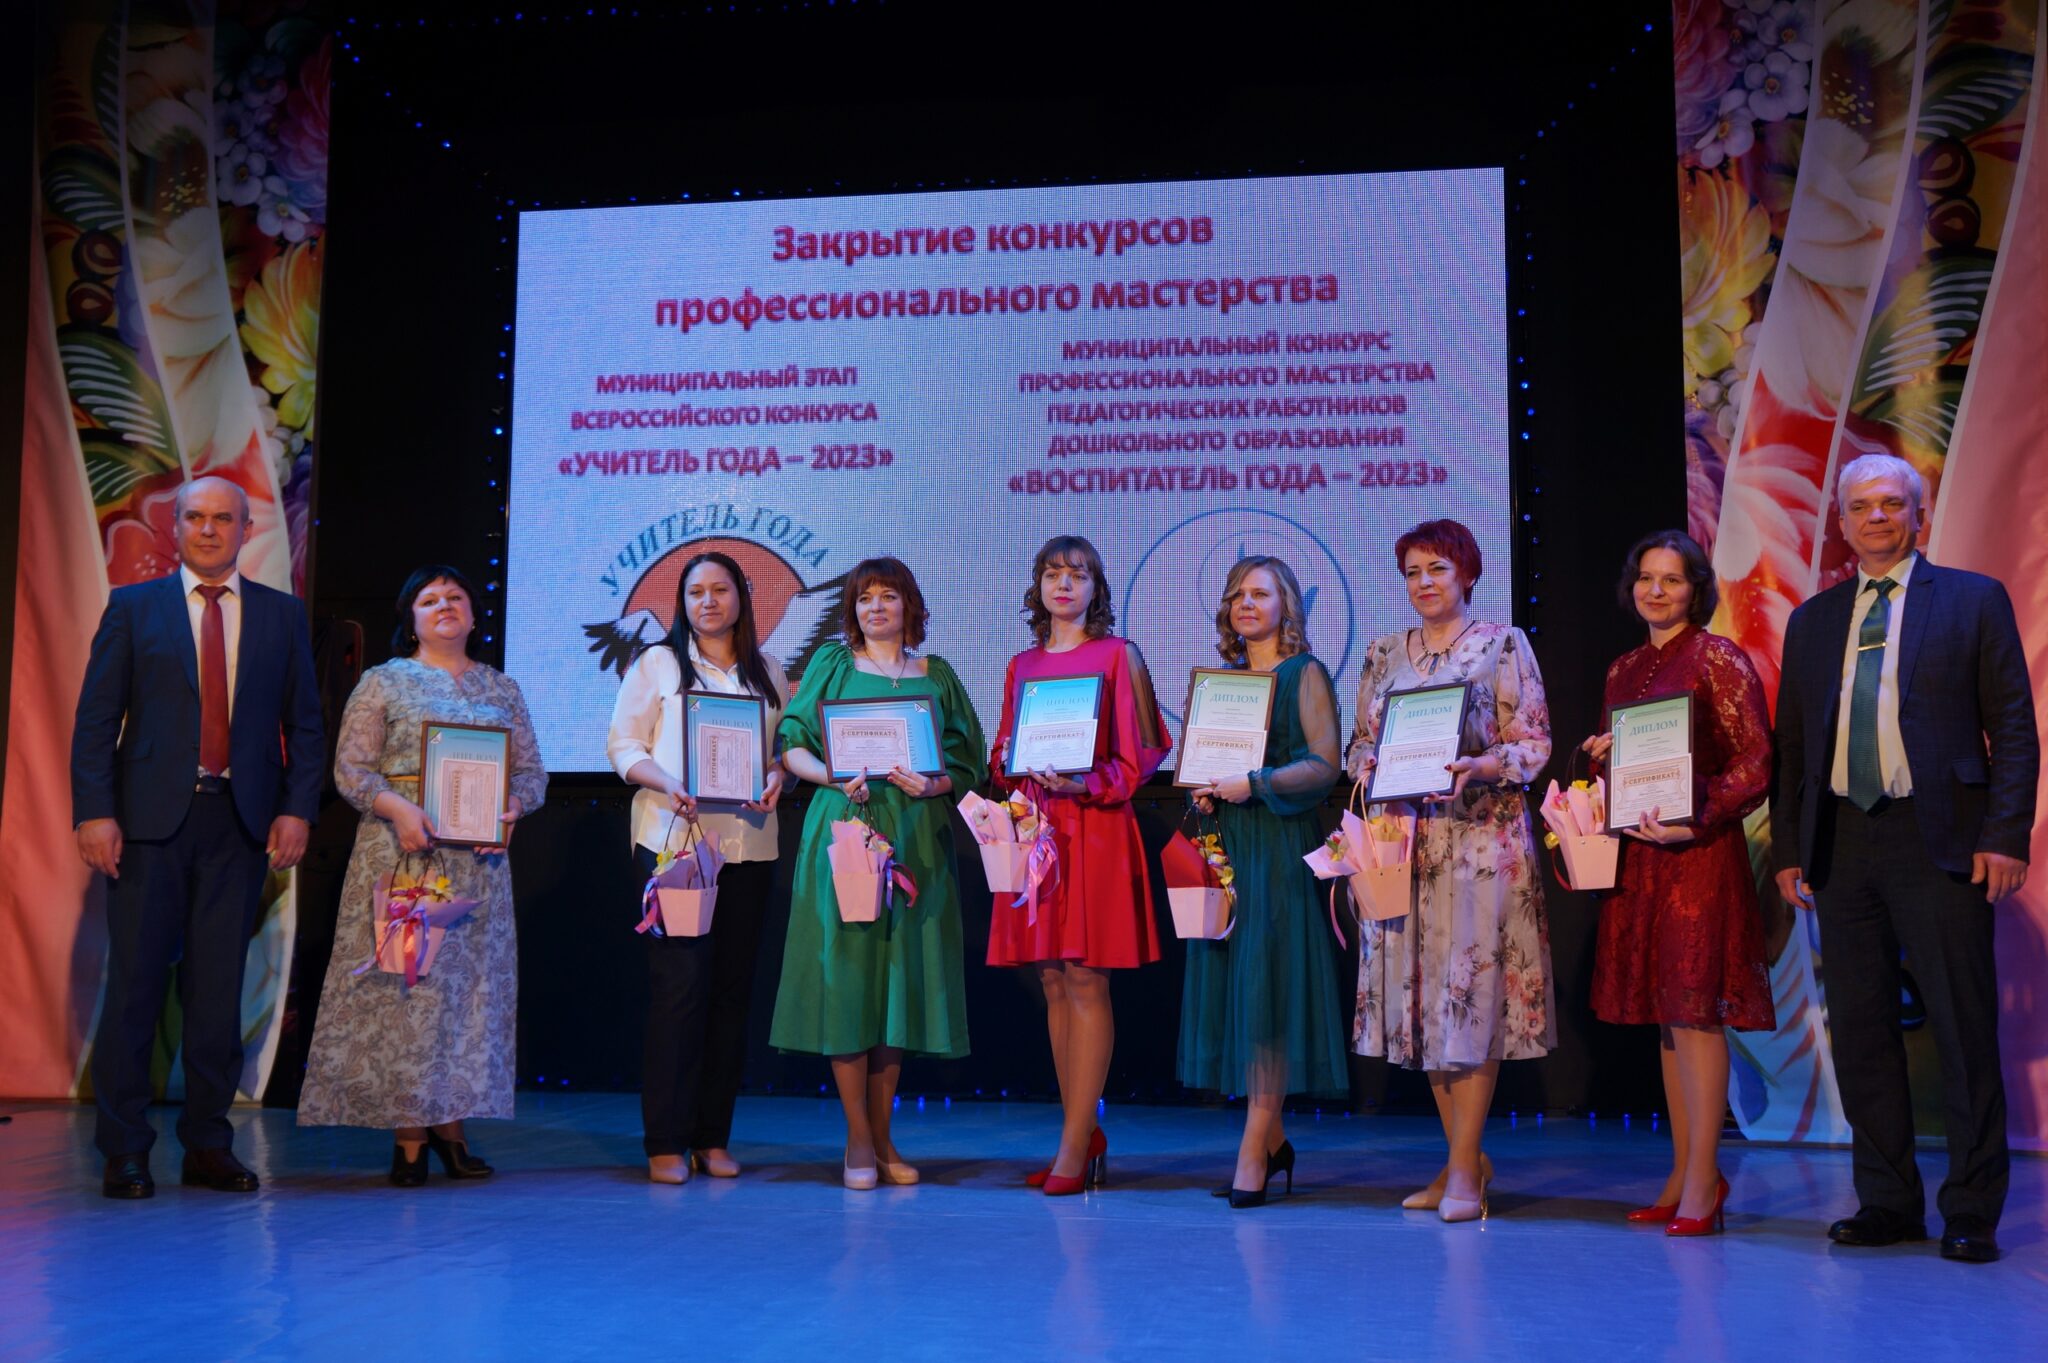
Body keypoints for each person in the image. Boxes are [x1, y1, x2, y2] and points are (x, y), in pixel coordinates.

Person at [1772, 453, 2036, 1263]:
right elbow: (1793, 748)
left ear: (1917, 514)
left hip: (1940, 833)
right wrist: (1790, 848)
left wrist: (2004, 833)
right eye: (1861, 506)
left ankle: (1971, 1209)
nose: (1877, 517)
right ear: (1842, 522)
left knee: (1961, 1026)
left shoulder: (1973, 599)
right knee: (1860, 1028)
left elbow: (2013, 726)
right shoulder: (1813, 619)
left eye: (1892, 503)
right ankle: (1887, 1199)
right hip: (1842, 840)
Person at [72, 476, 324, 1199]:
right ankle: (124, 1148)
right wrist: (94, 812)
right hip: (147, 826)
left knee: (217, 995)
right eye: (194, 517)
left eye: (222, 518)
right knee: (135, 991)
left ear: (246, 529)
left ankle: (209, 1144)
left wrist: (296, 810)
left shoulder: (281, 615)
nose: (208, 529)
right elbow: (96, 721)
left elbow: (305, 725)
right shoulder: (133, 608)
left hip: (238, 824)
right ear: (176, 526)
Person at [297, 565, 547, 1185]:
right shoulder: (384, 681)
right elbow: (352, 770)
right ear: (410, 619)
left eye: (455, 597)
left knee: (465, 997)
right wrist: (400, 809)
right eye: (429, 600)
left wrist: (514, 807)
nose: (444, 606)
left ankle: (451, 1127)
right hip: (403, 853)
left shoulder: (501, 687)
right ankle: (409, 1136)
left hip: (479, 867)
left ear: (474, 614)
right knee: (408, 990)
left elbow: (531, 773)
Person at [1345, 518, 1554, 1223]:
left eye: (1437, 568)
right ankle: (1462, 1160)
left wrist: (1484, 764)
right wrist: (1371, 766)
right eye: (1412, 571)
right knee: (1427, 1006)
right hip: (1405, 847)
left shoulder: (1502, 644)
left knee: (1470, 998)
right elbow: (1360, 745)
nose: (1424, 582)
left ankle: (1465, 1167)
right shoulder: (1382, 653)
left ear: (1467, 573)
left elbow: (1533, 741)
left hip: (1479, 843)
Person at [769, 557, 986, 1189]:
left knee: (896, 985)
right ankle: (858, 1139)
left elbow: (969, 764)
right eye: (865, 599)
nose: (876, 608)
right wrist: (833, 777)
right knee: (849, 979)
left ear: (910, 606)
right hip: (846, 827)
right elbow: (792, 743)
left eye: (888, 596)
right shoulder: (833, 665)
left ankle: (884, 1136)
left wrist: (935, 783)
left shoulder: (936, 675)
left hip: (916, 837)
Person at [1581, 530, 1775, 1237]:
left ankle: (1703, 1180)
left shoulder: (1718, 656)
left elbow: (1755, 762)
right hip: (1642, 860)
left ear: (1696, 589)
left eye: (1672, 579)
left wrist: (1697, 817)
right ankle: (1683, 1172)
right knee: (1669, 1019)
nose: (1656, 590)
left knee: (1696, 1015)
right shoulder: (1623, 668)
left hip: (1697, 857)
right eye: (1646, 578)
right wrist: (1600, 760)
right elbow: (1624, 772)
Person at [987, 535, 1170, 1196]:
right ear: (1037, 588)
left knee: (1087, 980)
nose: (1063, 584)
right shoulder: (1023, 665)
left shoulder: (1118, 655)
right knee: (1053, 982)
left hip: (1093, 827)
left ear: (1097, 589)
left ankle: (1073, 1144)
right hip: (1040, 831)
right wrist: (1010, 759)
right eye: (1052, 574)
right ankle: (1080, 1133)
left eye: (1078, 574)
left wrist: (1084, 782)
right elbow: (1001, 755)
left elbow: (1144, 749)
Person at [607, 551, 789, 1185]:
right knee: (680, 991)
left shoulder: (769, 669)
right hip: (674, 846)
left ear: (741, 596)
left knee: (731, 996)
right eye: (695, 592)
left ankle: (712, 1138)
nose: (708, 602)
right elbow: (623, 745)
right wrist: (668, 781)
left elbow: (783, 750)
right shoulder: (657, 663)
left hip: (749, 847)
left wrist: (779, 774)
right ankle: (665, 1140)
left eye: (720, 590)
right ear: (682, 603)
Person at [1178, 556, 1349, 1208]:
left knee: (1269, 991)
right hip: (1229, 847)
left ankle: (1253, 1150)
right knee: (1242, 995)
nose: (1246, 603)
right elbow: (1205, 764)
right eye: (1237, 595)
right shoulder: (1221, 684)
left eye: (1260, 593)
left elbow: (1324, 765)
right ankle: (1272, 1141)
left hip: (1277, 845)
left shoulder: (1304, 672)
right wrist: (1204, 788)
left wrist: (1252, 783)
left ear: (1286, 606)